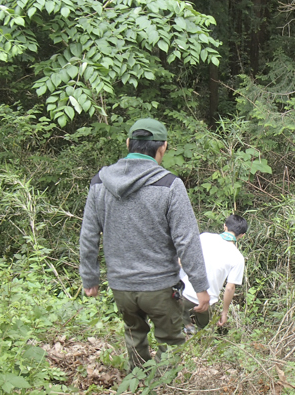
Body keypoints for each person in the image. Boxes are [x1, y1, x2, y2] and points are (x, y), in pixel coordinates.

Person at [79, 118, 210, 370]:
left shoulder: (99, 183)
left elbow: (88, 235)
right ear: (163, 147)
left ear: (128, 143)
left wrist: (90, 278)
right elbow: (187, 241)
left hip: (121, 287)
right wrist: (201, 286)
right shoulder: (170, 185)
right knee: (170, 342)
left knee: (134, 335)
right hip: (160, 288)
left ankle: (137, 385)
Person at [179, 214, 248, 332]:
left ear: (224, 226)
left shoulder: (205, 237)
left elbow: (185, 255)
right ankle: (199, 337)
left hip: (186, 293)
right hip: (208, 301)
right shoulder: (238, 258)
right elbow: (230, 288)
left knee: (177, 309)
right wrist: (224, 312)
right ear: (242, 235)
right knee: (205, 329)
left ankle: (187, 326)